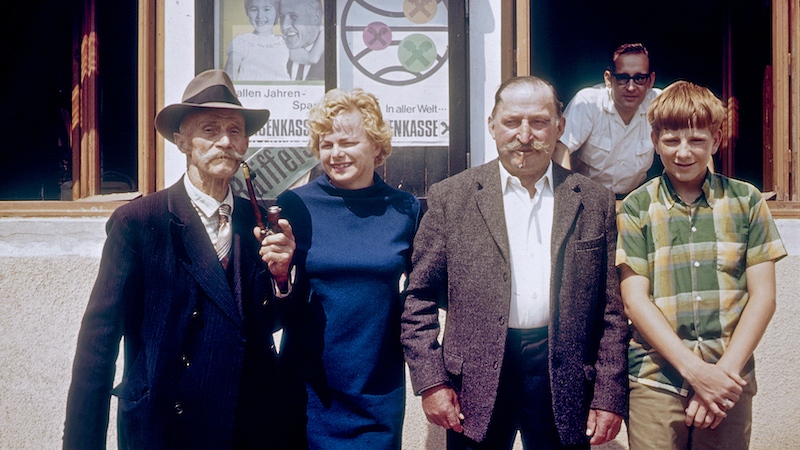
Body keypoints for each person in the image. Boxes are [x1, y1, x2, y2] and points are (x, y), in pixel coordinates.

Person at [63, 70, 306, 450]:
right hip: (164, 428)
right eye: (210, 130)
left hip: (247, 428)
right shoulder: (140, 223)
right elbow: (98, 347)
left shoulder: (259, 222)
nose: (225, 141)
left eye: (235, 130)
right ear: (182, 142)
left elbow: (264, 328)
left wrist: (281, 280)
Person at [401, 76, 628, 450]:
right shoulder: (450, 198)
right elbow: (417, 300)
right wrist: (432, 382)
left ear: (560, 126)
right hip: (473, 381)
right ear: (492, 125)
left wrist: (608, 394)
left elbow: (612, 312)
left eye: (539, 122)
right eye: (512, 122)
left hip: (564, 378)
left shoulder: (594, 201)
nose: (525, 135)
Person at [616, 81, 786, 450]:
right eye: (671, 140)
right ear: (654, 138)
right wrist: (696, 373)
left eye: (696, 140)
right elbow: (634, 301)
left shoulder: (747, 201)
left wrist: (720, 377)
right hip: (656, 379)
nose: (683, 152)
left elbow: (763, 298)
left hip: (729, 378)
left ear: (717, 140)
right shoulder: (636, 207)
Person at [277, 88, 420, 449]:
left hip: (376, 390)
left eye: (348, 142)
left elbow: (420, 299)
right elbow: (274, 305)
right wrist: (280, 279)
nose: (336, 153)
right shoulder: (294, 206)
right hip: (307, 389)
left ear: (376, 146)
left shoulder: (404, 209)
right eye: (326, 144)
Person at [554, 43, 661, 196]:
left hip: (632, 200)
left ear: (651, 80)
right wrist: (566, 197)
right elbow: (560, 147)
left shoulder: (659, 103)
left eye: (639, 78)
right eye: (623, 78)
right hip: (586, 197)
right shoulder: (588, 103)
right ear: (609, 79)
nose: (631, 87)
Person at [225, 0, 291, 81]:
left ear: (277, 12)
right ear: (247, 12)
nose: (260, 16)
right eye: (254, 10)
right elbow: (230, 71)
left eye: (266, 9)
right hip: (250, 92)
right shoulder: (242, 41)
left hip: (280, 92)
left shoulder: (284, 42)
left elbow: (307, 59)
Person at [280, 0, 325, 81]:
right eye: (282, 17)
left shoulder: (333, 56)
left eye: (294, 17)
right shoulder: (276, 48)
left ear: (316, 17)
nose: (284, 26)